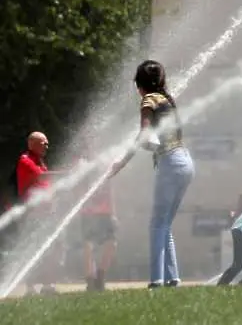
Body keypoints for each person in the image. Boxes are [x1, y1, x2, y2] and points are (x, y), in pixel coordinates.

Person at [109, 60, 195, 289]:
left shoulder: (148, 99)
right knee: (164, 223)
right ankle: (172, 278)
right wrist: (154, 148)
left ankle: (156, 280)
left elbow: (144, 135)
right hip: (185, 161)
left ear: (139, 84)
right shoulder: (166, 99)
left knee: (157, 224)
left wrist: (121, 163)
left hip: (171, 162)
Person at [15, 132, 60, 295]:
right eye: (43, 143)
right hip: (33, 215)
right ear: (32, 143)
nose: (47, 147)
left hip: (46, 214)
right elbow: (41, 176)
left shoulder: (40, 161)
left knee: (50, 250)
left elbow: (45, 184)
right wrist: (67, 173)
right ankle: (30, 288)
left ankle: (47, 286)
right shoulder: (25, 160)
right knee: (31, 249)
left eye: (47, 143)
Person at [75, 137, 117, 292]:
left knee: (112, 244)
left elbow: (110, 188)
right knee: (88, 246)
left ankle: (101, 275)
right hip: (88, 213)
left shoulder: (105, 162)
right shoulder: (80, 164)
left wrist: (113, 212)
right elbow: (78, 188)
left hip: (105, 212)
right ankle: (90, 281)